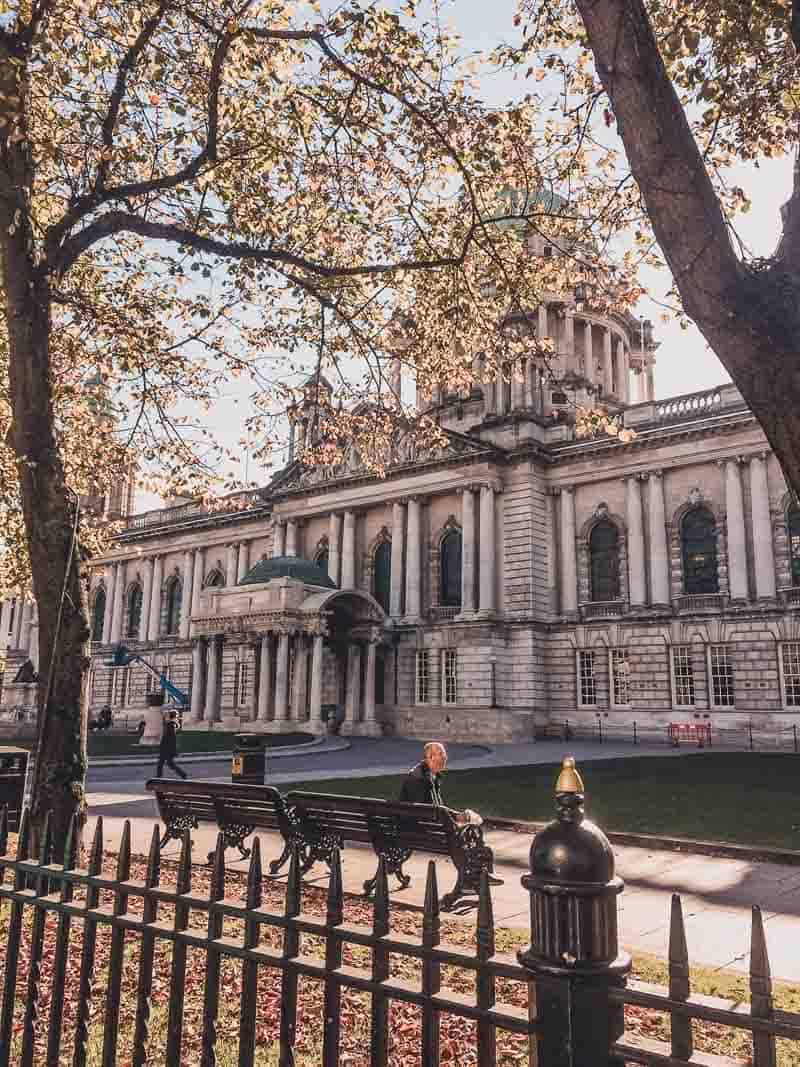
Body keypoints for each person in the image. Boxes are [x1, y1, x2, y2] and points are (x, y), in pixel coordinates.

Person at [400, 742, 479, 825]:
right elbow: (425, 810)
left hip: (420, 830)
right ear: (430, 757)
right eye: (441, 754)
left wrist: (457, 816)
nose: (445, 757)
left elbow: (436, 808)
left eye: (444, 754)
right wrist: (456, 817)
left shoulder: (431, 776)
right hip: (420, 830)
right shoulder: (419, 778)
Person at [156, 710, 188, 779]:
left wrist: (165, 747)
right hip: (168, 748)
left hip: (166, 748)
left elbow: (169, 738)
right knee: (169, 763)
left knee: (161, 763)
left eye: (166, 715)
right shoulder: (170, 724)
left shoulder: (170, 725)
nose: (165, 717)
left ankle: (158, 777)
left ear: (169, 716)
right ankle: (183, 774)